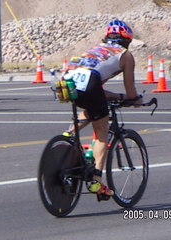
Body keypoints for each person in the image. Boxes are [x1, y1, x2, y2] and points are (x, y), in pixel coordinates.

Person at [63, 19, 143, 201]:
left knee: (93, 109)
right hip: (89, 82)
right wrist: (134, 100)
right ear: (128, 40)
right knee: (102, 131)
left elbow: (96, 89)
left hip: (67, 78)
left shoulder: (97, 49)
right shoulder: (125, 55)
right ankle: (96, 181)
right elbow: (131, 92)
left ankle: (68, 136)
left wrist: (116, 96)